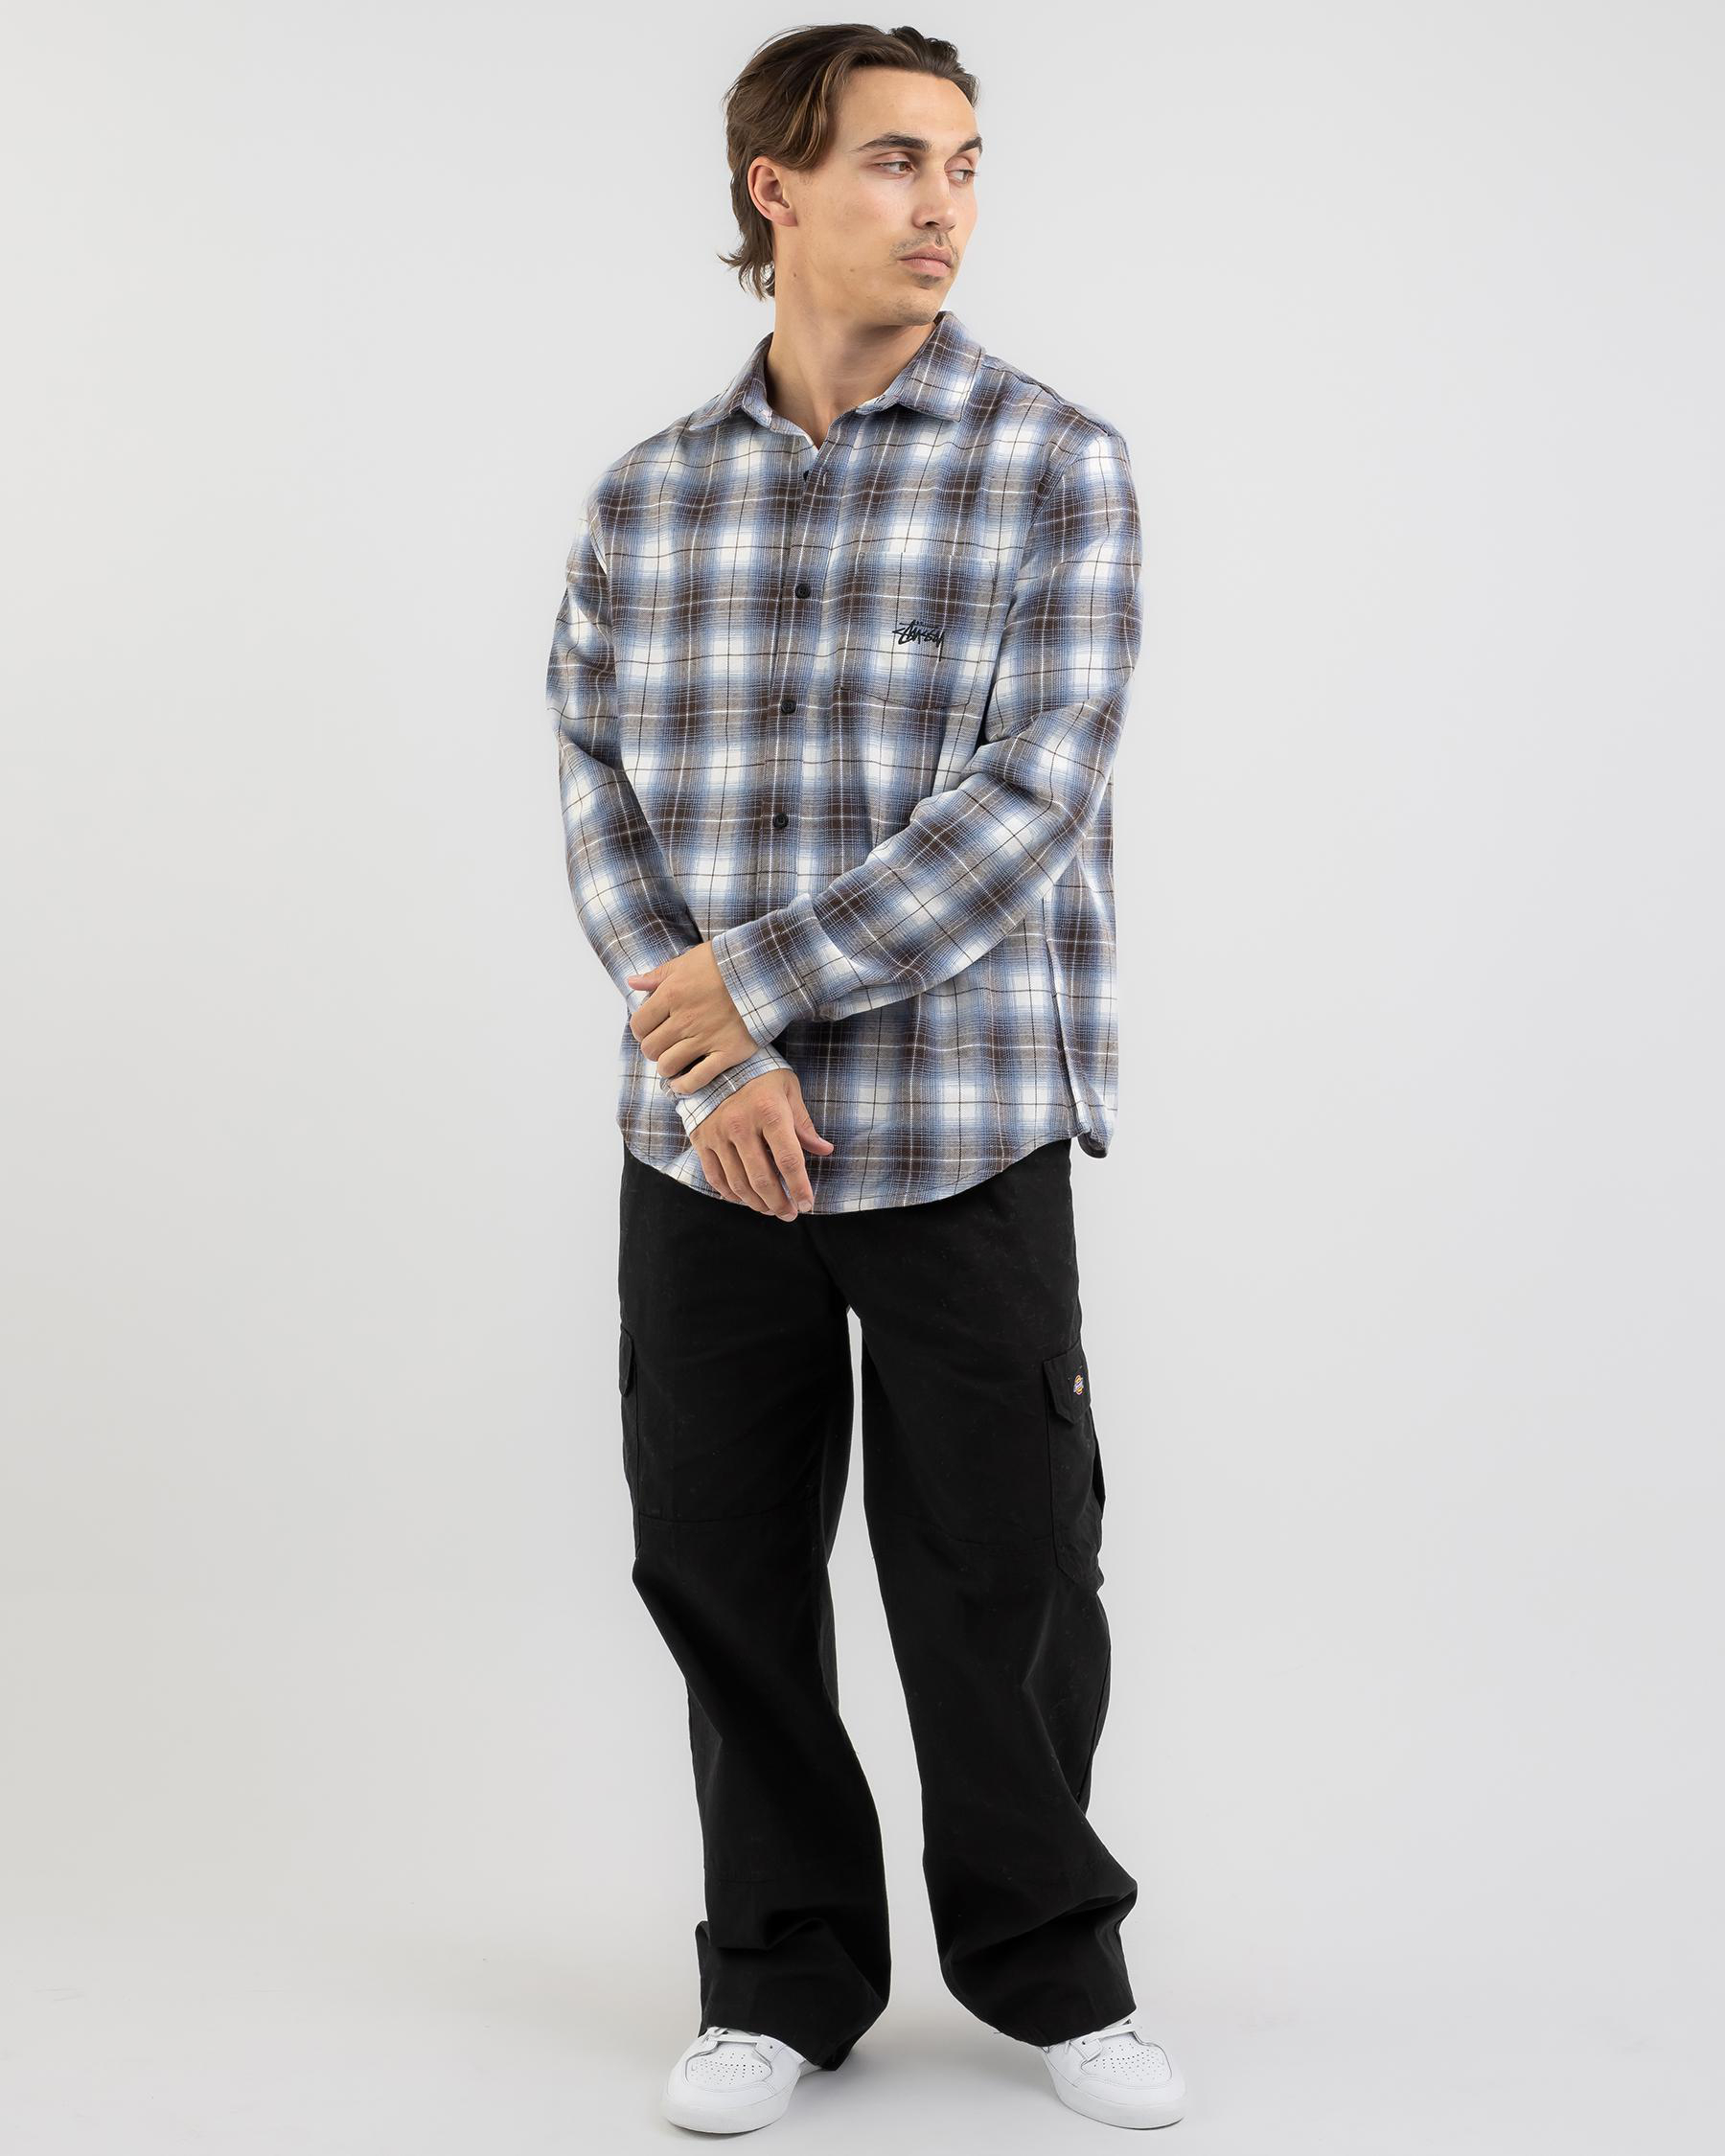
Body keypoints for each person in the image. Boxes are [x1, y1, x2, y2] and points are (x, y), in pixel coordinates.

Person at [546, 22, 1188, 2135]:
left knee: (1009, 1572)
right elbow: (598, 790)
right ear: (779, 187)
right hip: (703, 1147)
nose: (944, 204)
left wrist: (751, 996)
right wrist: (705, 1051)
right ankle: (777, 1979)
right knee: (721, 1562)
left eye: (968, 163)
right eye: (901, 160)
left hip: (964, 1119)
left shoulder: (1055, 463)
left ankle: (1054, 1972)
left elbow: (1031, 801)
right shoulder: (648, 495)